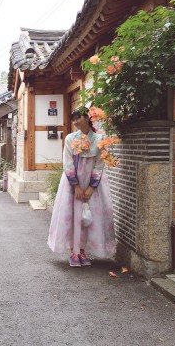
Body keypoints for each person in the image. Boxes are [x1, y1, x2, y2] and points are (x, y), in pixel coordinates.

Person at [47, 108, 116, 267]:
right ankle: (74, 251)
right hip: (73, 183)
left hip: (92, 183)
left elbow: (99, 165)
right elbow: (68, 163)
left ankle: (83, 250)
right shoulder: (71, 138)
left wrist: (91, 187)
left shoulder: (100, 139)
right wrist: (76, 186)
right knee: (72, 215)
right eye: (74, 119)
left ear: (88, 117)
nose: (76, 122)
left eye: (78, 118)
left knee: (89, 218)